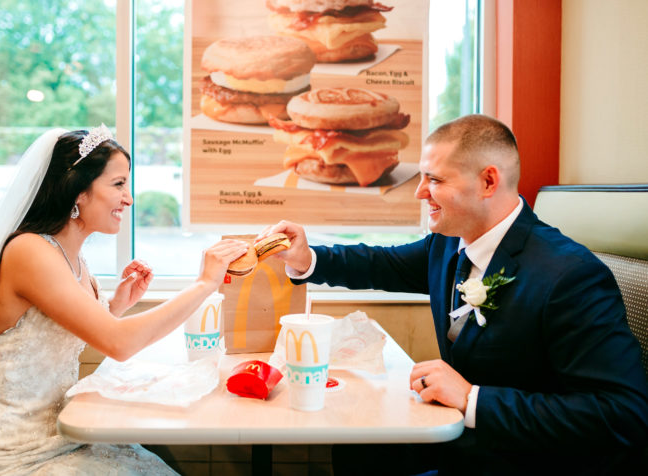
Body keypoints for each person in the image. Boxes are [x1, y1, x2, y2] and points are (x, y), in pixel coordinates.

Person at [257, 114, 648, 474]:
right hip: (467, 438)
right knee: (358, 443)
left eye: (435, 180)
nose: (419, 192)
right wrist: (306, 256)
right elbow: (380, 263)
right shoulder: (449, 243)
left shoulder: (570, 277)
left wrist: (472, 398)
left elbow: (621, 414)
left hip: (528, 457)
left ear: (488, 182)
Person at [0, 126, 248, 475]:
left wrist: (116, 307)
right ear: (79, 193)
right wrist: (205, 283)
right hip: (10, 456)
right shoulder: (29, 251)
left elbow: (63, 343)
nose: (129, 198)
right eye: (119, 184)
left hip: (64, 437)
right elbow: (119, 344)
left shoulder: (71, 257)